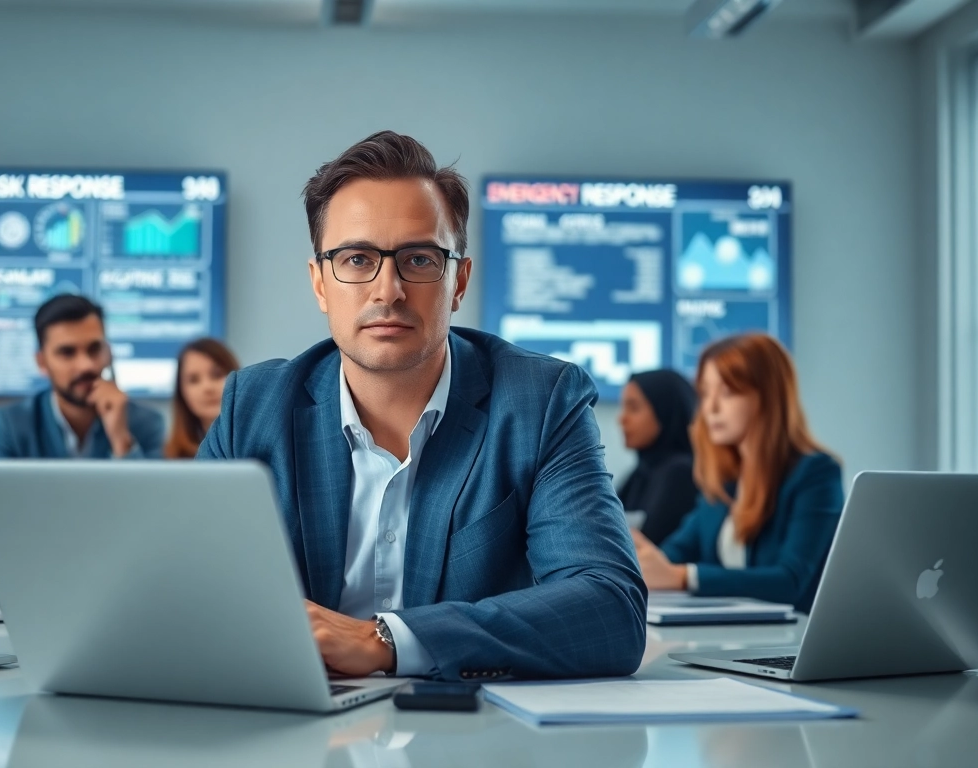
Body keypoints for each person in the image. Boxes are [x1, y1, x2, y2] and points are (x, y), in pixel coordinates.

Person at [198, 131, 646, 681]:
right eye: (357, 258)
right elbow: (186, 591)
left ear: (458, 281)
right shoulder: (254, 408)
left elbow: (610, 610)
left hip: (476, 735)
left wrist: (386, 640)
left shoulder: (542, 402)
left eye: (418, 259)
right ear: (319, 283)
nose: (388, 290)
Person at [0, 294, 165, 595]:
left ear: (109, 352)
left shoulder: (145, 423)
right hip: (37, 585)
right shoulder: (9, 425)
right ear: (42, 362)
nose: (86, 365)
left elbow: (155, 520)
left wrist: (121, 439)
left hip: (125, 586)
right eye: (67, 353)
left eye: (95, 349)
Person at [632, 334, 843, 613]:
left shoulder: (815, 474)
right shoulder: (724, 482)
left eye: (728, 392)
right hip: (735, 639)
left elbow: (791, 581)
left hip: (793, 642)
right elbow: (674, 555)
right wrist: (644, 557)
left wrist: (684, 577)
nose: (711, 409)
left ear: (768, 397)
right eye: (706, 393)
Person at [617, 369, 699, 545]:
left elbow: (647, 544)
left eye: (634, 408)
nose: (622, 419)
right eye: (623, 407)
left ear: (664, 411)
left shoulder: (680, 473)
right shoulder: (637, 475)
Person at [164, 338, 240, 459]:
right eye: (194, 380)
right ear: (182, 393)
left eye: (217, 374)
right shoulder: (170, 458)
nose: (207, 388)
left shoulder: (267, 445)